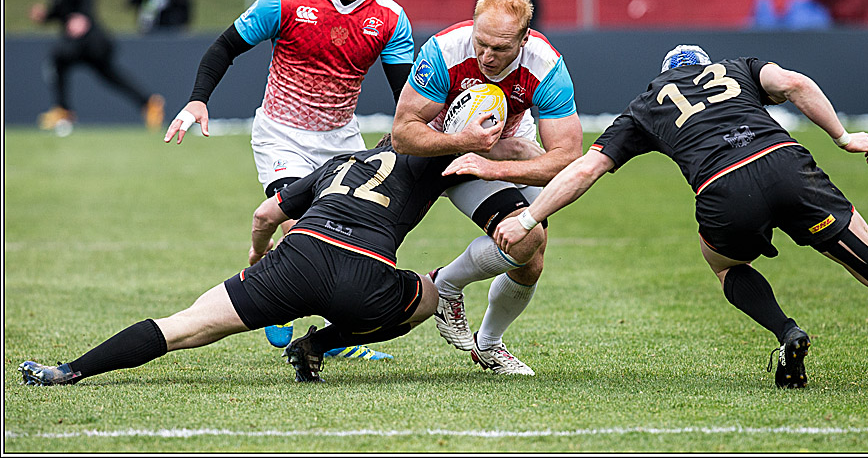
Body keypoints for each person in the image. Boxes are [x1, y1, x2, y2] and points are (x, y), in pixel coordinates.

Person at [494, 44, 868, 389]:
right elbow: (796, 83)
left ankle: (786, 332)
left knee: (723, 264)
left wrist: (530, 215)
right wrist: (842, 136)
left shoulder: (646, 104)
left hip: (723, 191)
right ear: (705, 65)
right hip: (786, 166)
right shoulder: (737, 67)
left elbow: (586, 169)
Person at [19, 142, 535, 386]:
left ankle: (70, 369)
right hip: (364, 273)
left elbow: (266, 212)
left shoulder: (338, 162)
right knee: (427, 296)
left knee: (186, 326)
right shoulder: (437, 154)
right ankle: (320, 343)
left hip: (296, 257)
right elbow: (494, 157)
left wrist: (258, 253)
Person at [163, 0, 414, 361]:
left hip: (343, 142)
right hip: (283, 136)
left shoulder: (390, 17)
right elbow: (225, 47)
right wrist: (198, 99)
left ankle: (331, 334)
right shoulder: (285, 0)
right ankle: (274, 287)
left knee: (349, 243)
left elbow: (407, 97)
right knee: (306, 229)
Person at [391, 0, 582, 375]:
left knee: (531, 258)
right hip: (442, 150)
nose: (487, 57)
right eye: (481, 43)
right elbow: (403, 134)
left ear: (524, 39)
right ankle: (444, 285)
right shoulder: (444, 51)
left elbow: (567, 158)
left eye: (500, 48)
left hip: (503, 147)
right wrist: (465, 145)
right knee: (526, 236)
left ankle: (489, 345)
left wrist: (495, 165)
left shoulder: (546, 66)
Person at [30, 0, 165, 133]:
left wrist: (83, 17)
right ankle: (148, 102)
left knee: (60, 61)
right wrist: (44, 17)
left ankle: (150, 104)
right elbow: (60, 13)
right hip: (81, 47)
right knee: (62, 65)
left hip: (93, 44)